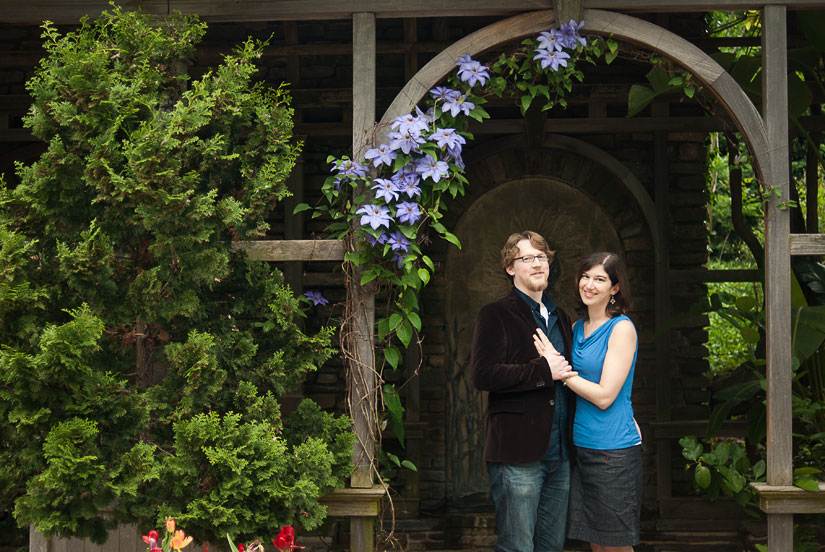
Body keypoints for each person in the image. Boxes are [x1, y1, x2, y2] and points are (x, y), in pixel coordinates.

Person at [471, 230, 578, 552]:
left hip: (560, 454)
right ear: (510, 267)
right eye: (526, 258)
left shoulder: (562, 317)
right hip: (518, 455)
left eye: (542, 257)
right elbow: (483, 375)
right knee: (517, 547)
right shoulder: (495, 314)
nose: (536, 264)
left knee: (552, 547)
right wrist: (544, 371)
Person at [533, 251, 642, 552]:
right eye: (585, 276)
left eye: (600, 279)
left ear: (615, 288)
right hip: (580, 448)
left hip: (614, 451)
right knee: (595, 542)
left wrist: (559, 370)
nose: (589, 284)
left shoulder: (621, 328)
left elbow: (606, 396)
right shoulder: (577, 329)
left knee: (616, 544)